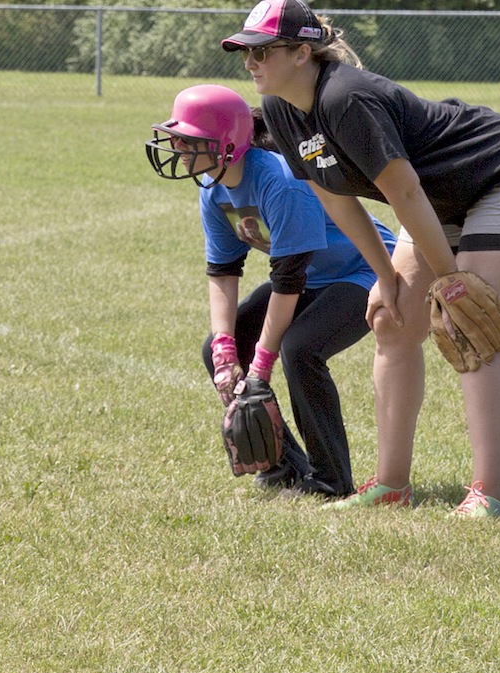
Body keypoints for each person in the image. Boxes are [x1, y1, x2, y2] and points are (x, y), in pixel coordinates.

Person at [226, 0, 500, 519]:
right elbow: (337, 199)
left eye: (262, 51)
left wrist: (451, 283)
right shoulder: (281, 111)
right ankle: (391, 484)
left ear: (301, 53)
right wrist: (383, 275)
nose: (250, 63)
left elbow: (404, 194)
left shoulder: (344, 98)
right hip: (435, 197)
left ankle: (486, 494)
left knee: (465, 323)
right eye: (245, 52)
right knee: (391, 319)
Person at [147, 83, 398, 499]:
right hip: (311, 277)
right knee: (215, 348)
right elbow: (223, 271)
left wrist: (261, 365)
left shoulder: (280, 181)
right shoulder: (213, 188)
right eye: (176, 137)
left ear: (226, 144)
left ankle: (330, 481)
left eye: (189, 139)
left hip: (364, 271)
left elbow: (288, 280)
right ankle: (283, 467)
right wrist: (227, 349)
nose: (177, 146)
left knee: (300, 349)